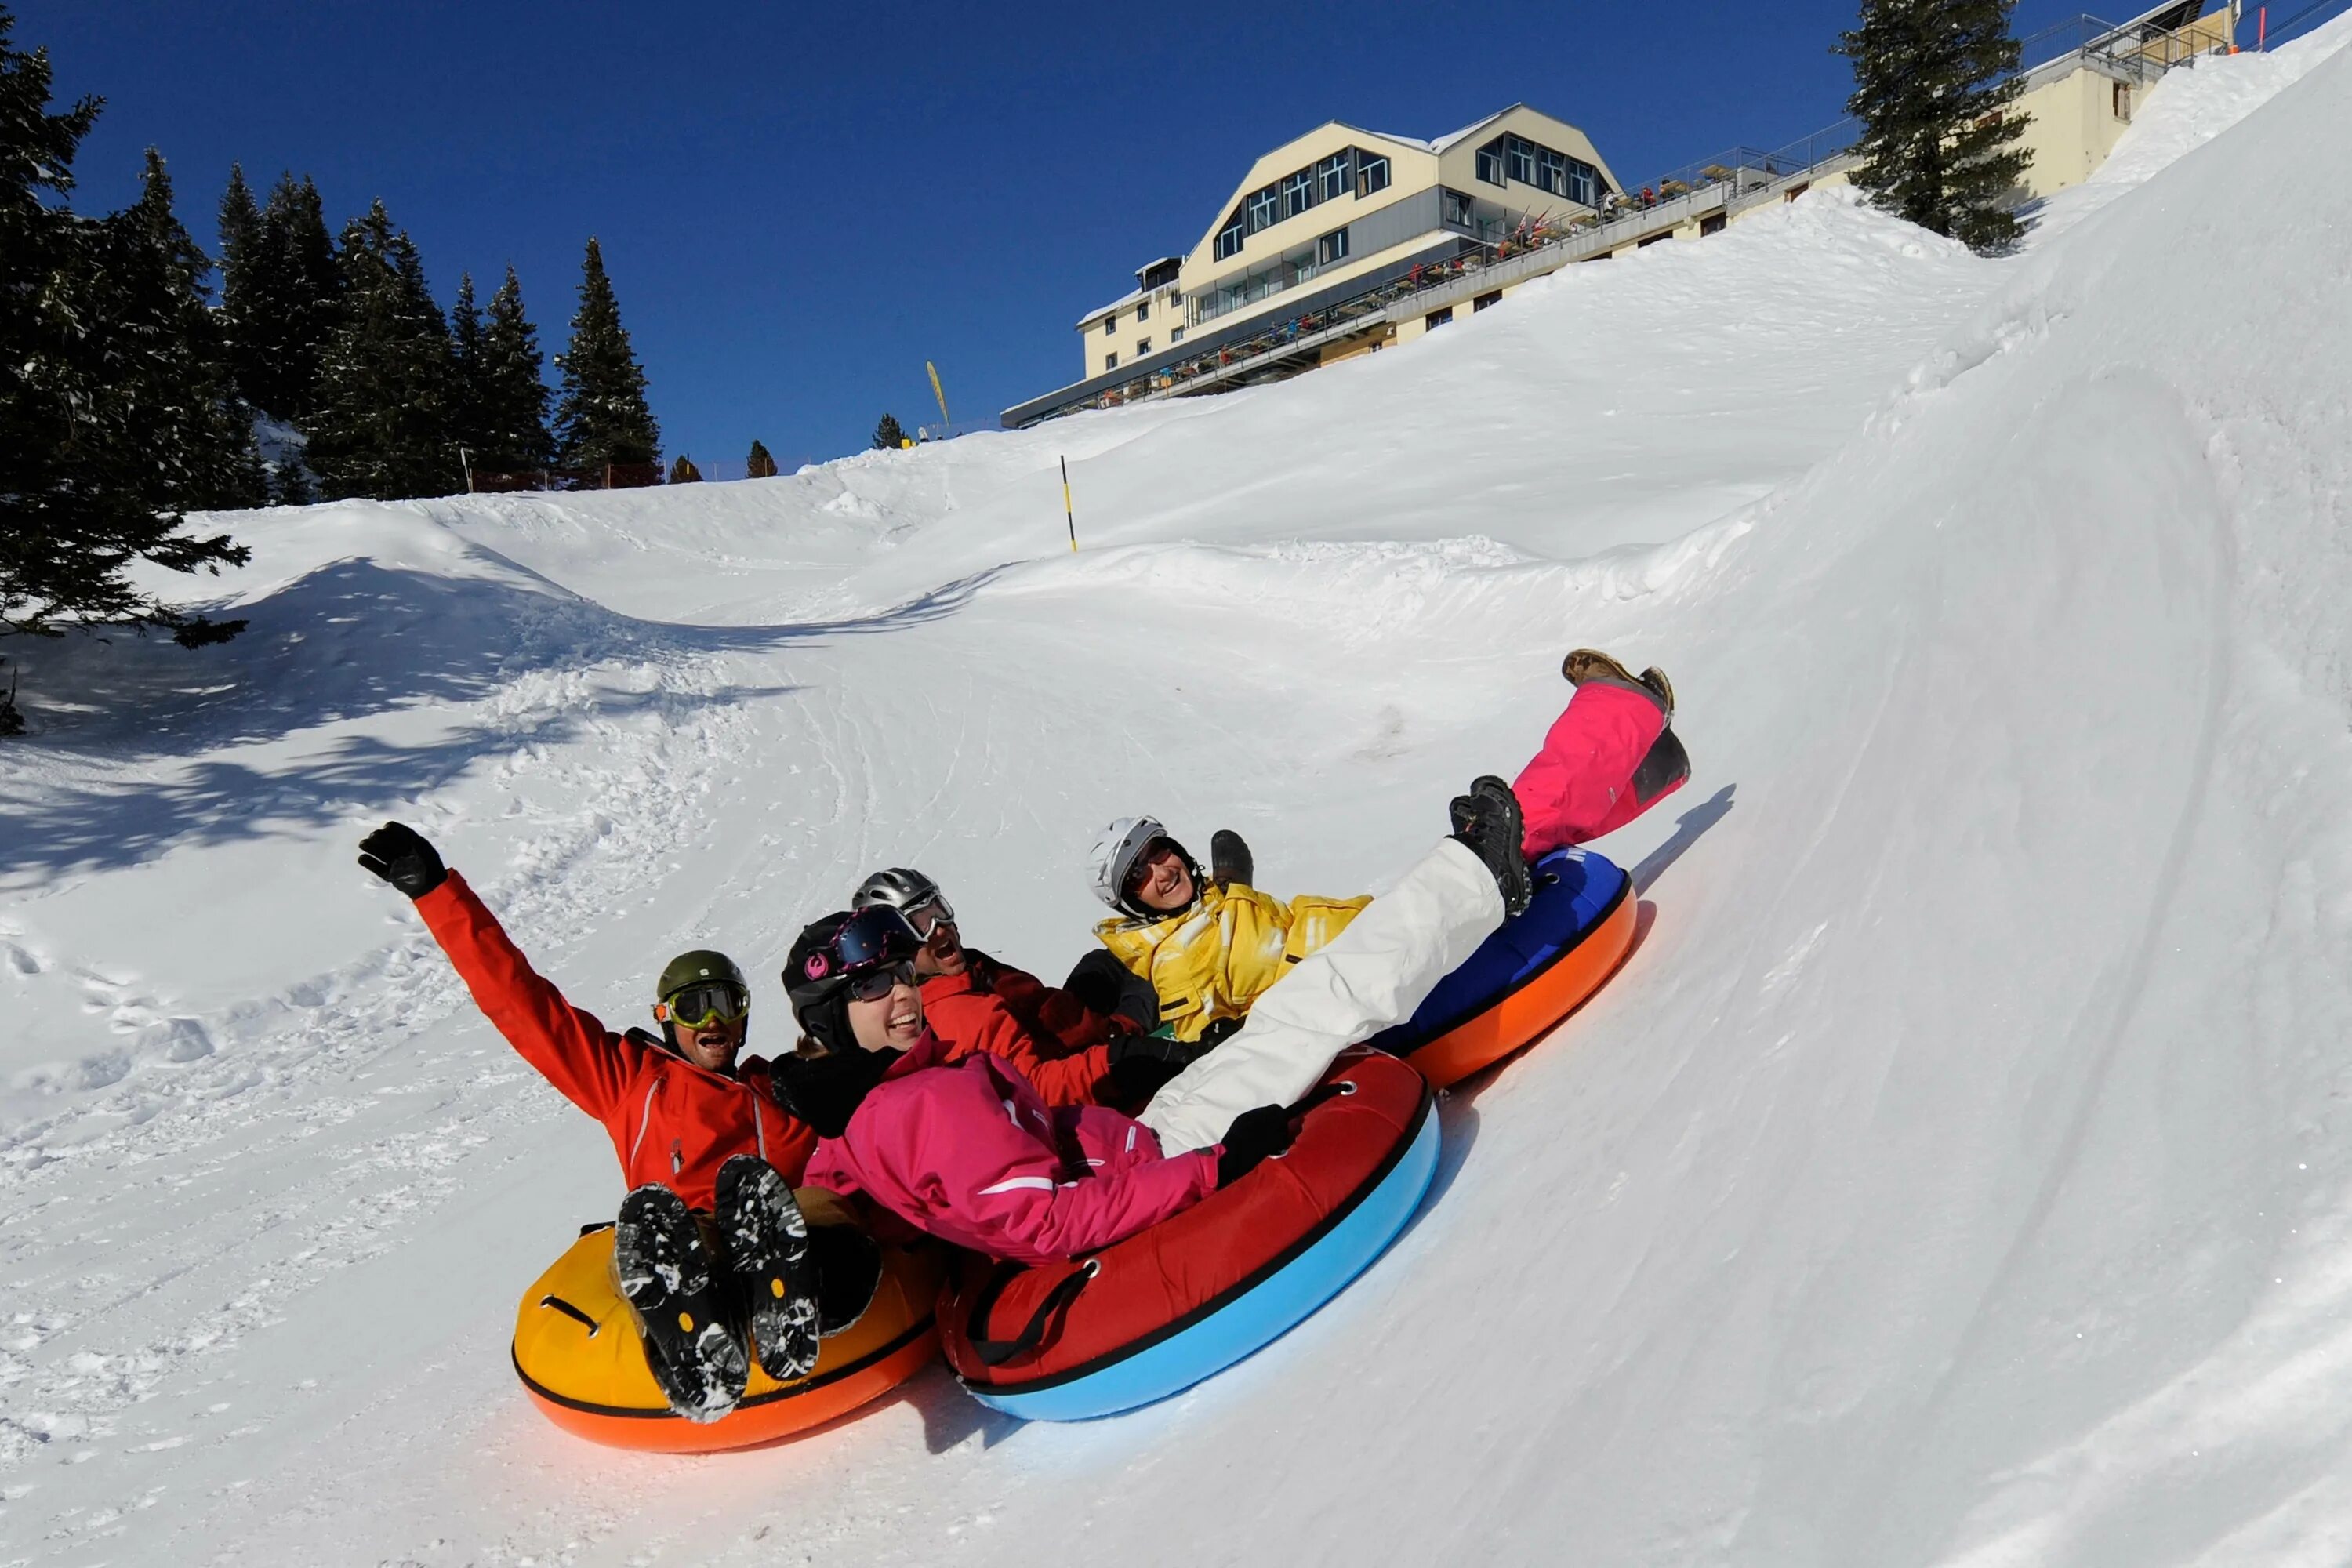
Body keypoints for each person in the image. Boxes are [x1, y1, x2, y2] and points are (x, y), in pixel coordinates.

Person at [779, 775, 1534, 1265]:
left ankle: (1460, 878)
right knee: (1321, 1006)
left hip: (1142, 1133)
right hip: (1168, 1148)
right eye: (873, 988)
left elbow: (839, 1178)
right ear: (835, 1022)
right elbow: (1049, 1224)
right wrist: (1216, 1164)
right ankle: (1475, 879)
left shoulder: (870, 1111)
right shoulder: (920, 1101)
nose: (904, 994)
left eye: (899, 974)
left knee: (1293, 1007)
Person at [354, 822, 877, 1424]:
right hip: (690, 1231)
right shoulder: (630, 1079)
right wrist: (439, 894)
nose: (713, 1020)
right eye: (693, 1006)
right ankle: (698, 1324)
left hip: (778, 1225)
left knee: (819, 1205)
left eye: (728, 1004)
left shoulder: (780, 1089)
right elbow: (522, 1004)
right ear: (664, 1019)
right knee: (679, 1237)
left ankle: (794, 1299)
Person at [1087, 648, 1686, 1047]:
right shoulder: (1172, 960)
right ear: (1131, 905)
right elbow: (1193, 1034)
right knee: (1500, 839)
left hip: (1377, 944)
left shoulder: (1207, 911)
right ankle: (1624, 709)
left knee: (1505, 851)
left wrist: (1230, 882)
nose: (1160, 872)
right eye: (1139, 876)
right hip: (1375, 987)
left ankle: (1643, 764)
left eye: (1158, 851)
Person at [848, 867, 1197, 1108]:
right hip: (1100, 1048)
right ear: (893, 949)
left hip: (1067, 1026)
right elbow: (1035, 1089)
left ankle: (1187, 927)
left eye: (938, 909)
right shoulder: (958, 1011)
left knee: (1103, 962)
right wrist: (1122, 1053)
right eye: (920, 923)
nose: (941, 927)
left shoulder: (967, 968)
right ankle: (1203, 941)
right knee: (1150, 973)